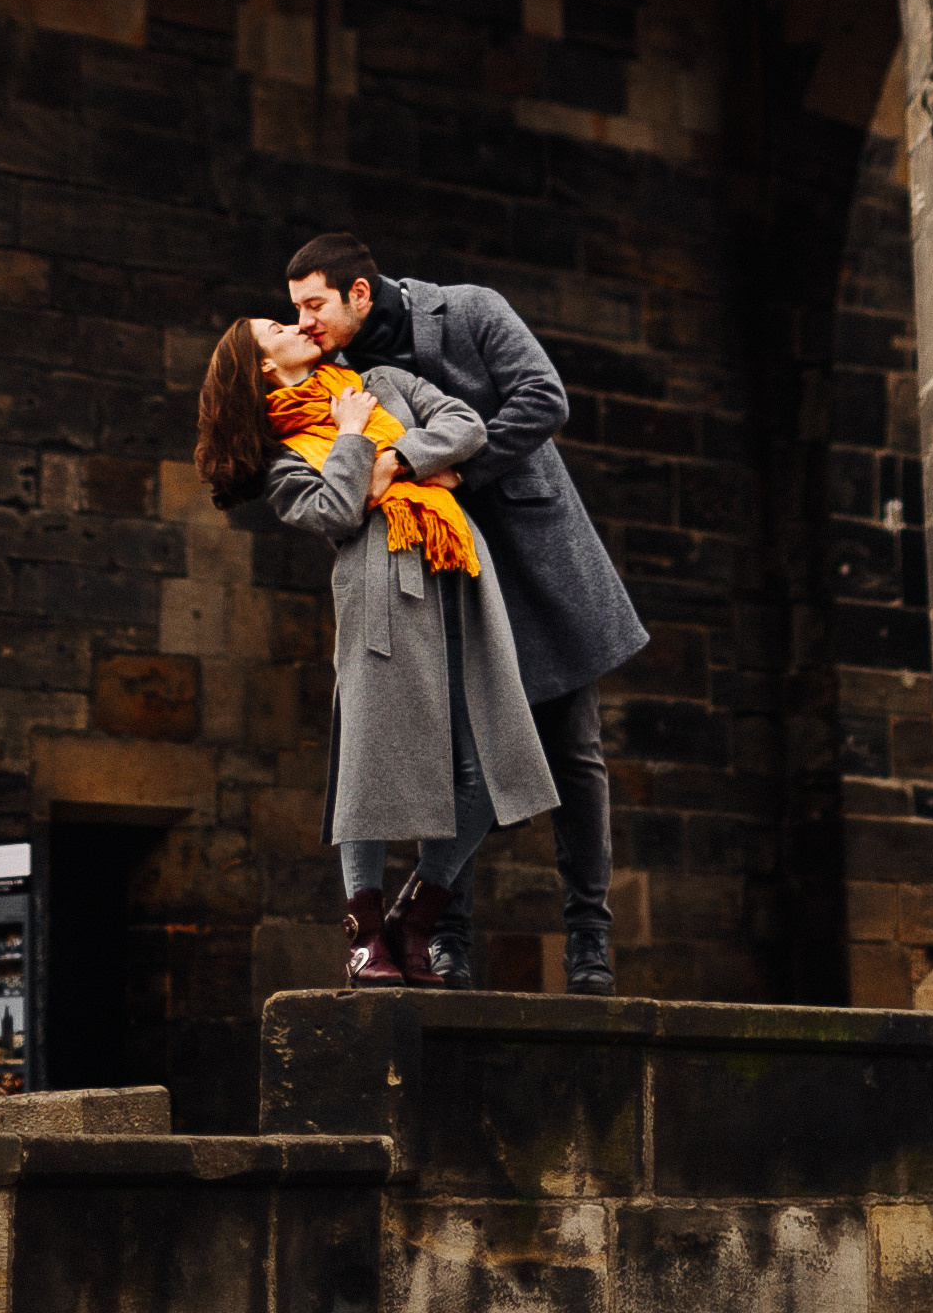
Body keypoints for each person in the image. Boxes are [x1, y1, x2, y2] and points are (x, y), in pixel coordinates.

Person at [287, 232, 647, 993]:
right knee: (446, 751)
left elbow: (543, 399)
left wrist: (441, 467)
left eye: (315, 304)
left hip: (530, 552)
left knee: (573, 749)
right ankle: (444, 940)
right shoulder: (336, 372)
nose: (304, 322)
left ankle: (589, 938)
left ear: (359, 293)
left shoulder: (470, 311)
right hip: (434, 571)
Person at [194, 312, 559, 987]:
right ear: (264, 366)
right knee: (368, 768)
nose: (297, 324)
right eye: (277, 327)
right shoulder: (282, 456)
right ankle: (365, 938)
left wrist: (395, 462)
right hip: (380, 594)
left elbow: (466, 426)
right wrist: (354, 436)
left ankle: (413, 919)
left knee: (494, 764)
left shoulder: (384, 381)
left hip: (460, 577)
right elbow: (335, 511)